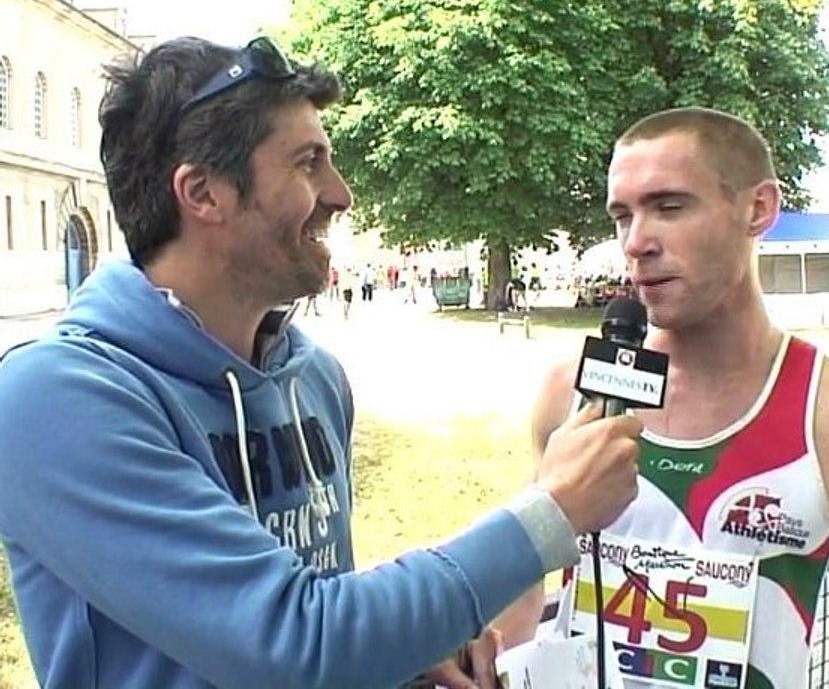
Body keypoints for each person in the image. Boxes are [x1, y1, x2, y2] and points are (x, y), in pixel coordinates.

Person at [0, 36, 645, 689]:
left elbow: (313, 614)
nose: (341, 194)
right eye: (309, 164)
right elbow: (297, 644)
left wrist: (406, 652)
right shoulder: (55, 400)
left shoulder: (313, 377)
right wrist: (552, 512)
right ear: (203, 193)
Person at [498, 107, 829, 688]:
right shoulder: (571, 391)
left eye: (669, 207)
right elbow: (527, 573)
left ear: (758, 209)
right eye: (622, 216)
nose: (637, 242)